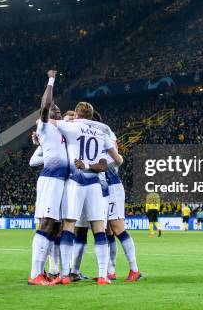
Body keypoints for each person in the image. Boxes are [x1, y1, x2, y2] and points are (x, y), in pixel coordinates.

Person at [45, 81, 124, 285]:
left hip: (75, 182)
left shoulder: (71, 127)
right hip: (95, 185)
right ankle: (103, 275)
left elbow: (47, 120)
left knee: (69, 226)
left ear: (78, 115)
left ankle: (64, 275)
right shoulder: (101, 133)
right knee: (99, 228)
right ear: (91, 116)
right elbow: (111, 162)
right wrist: (91, 166)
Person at [89, 111, 141, 282]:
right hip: (100, 186)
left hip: (112, 185)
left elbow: (117, 160)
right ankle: (109, 270)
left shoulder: (106, 133)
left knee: (117, 228)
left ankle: (134, 269)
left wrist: (94, 163)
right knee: (106, 229)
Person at [28, 71, 69, 286]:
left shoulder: (62, 130)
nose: (58, 111)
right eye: (55, 110)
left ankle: (48, 271)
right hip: (51, 179)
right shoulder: (43, 126)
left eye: (59, 110)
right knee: (46, 223)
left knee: (55, 227)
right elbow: (45, 106)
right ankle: (35, 273)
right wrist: (51, 81)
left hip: (62, 181)